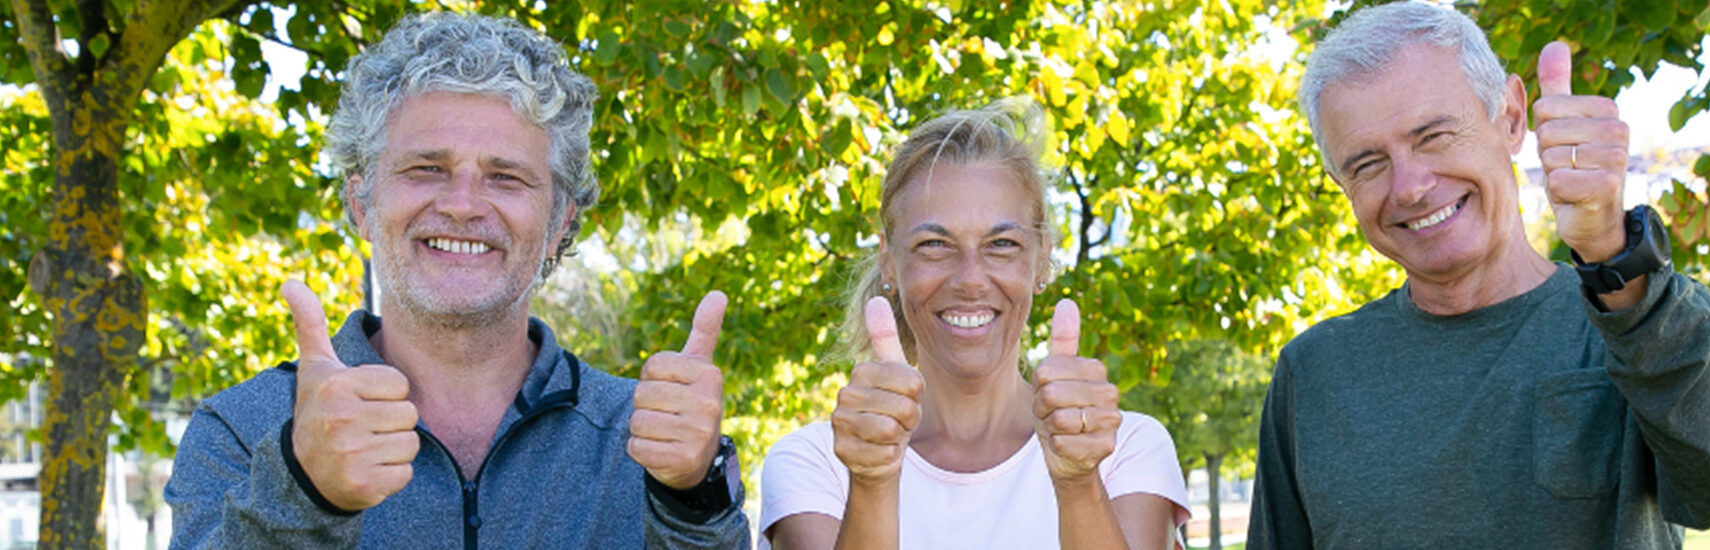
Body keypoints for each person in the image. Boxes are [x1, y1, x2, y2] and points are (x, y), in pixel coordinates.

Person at [164, 13, 750, 548]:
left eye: (506, 177)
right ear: (361, 201)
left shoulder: (653, 438)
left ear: (559, 222)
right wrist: (305, 493)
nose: (464, 205)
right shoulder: (243, 427)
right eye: (426, 168)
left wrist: (693, 501)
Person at [1246, 2, 1710, 547]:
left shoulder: (1641, 317)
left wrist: (1612, 251)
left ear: (1510, 117)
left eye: (1434, 136)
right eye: (1367, 164)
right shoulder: (1312, 371)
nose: (1409, 185)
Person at [758, 101, 1191, 549]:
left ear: (1041, 258)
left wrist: (1078, 483)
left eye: (1001, 244)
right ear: (889, 259)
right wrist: (872, 483)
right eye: (934, 244)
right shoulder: (815, 462)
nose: (970, 279)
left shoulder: (1126, 449)